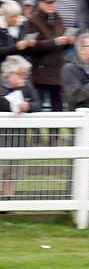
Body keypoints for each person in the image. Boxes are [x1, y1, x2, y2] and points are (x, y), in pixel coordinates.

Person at [27, 0, 75, 114]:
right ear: (40, 4)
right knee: (38, 105)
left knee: (58, 107)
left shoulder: (58, 18)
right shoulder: (32, 20)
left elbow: (61, 44)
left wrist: (68, 42)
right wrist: (56, 41)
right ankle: (36, 133)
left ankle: (55, 134)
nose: (52, 5)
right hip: (41, 70)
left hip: (58, 70)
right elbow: (33, 45)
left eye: (53, 2)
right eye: (48, 3)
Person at [0, 55, 41, 199]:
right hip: (2, 137)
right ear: (10, 74)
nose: (25, 78)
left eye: (26, 74)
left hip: (19, 136)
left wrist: (28, 106)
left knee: (14, 171)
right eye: (22, 74)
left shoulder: (27, 85)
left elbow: (37, 104)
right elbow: (5, 105)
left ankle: (8, 201)